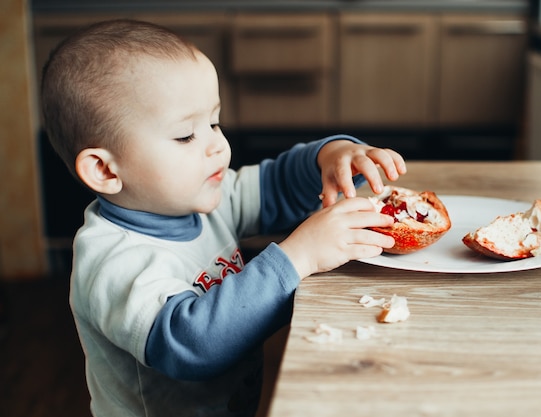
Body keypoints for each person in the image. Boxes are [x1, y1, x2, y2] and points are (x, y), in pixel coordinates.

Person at [40, 19, 406, 417]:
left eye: (214, 123)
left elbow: (275, 185)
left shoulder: (203, 198)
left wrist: (331, 155)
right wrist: (298, 257)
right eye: (185, 135)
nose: (217, 144)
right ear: (106, 171)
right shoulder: (113, 260)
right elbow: (190, 345)